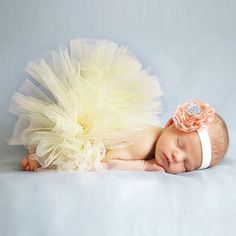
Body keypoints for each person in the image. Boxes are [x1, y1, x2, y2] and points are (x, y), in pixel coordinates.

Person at [21, 99, 229, 174]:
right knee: (76, 153)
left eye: (186, 165)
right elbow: (107, 160)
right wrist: (144, 166)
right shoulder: (145, 142)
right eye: (179, 144)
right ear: (170, 124)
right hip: (93, 141)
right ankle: (41, 157)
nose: (176, 157)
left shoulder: (158, 140)